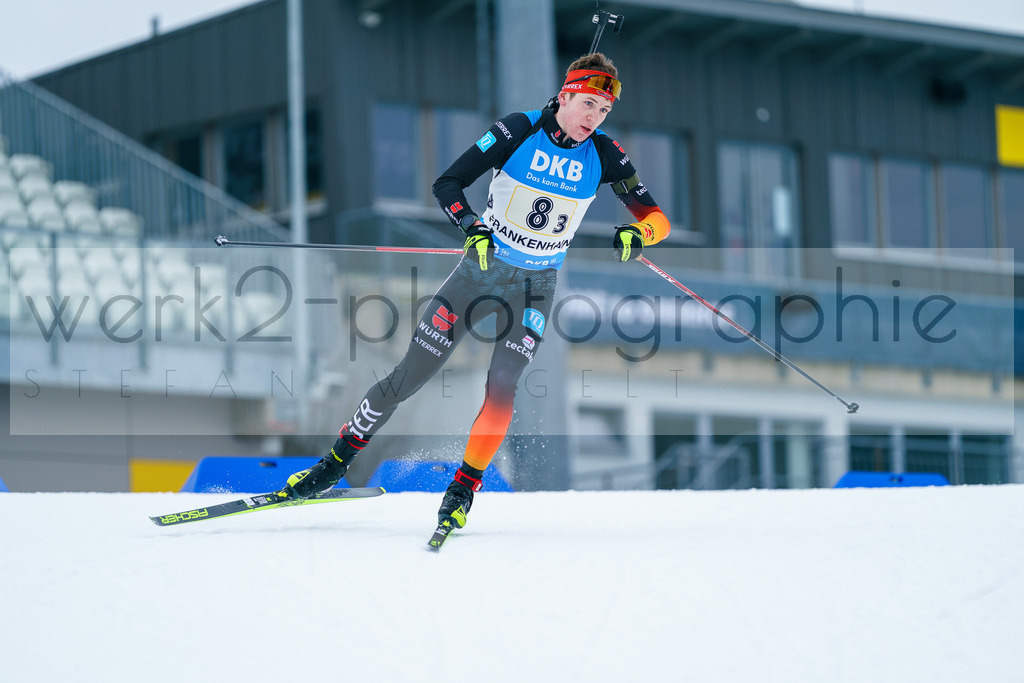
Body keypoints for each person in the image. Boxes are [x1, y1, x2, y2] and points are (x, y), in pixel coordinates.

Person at [279, 52, 671, 530]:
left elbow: (657, 219)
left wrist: (639, 234)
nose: (595, 117)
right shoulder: (519, 130)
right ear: (566, 96)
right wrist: (472, 227)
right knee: (409, 377)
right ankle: (332, 465)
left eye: (604, 110)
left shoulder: (606, 154)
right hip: (479, 274)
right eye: (588, 104)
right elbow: (448, 183)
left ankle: (463, 489)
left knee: (503, 386)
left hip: (535, 286)